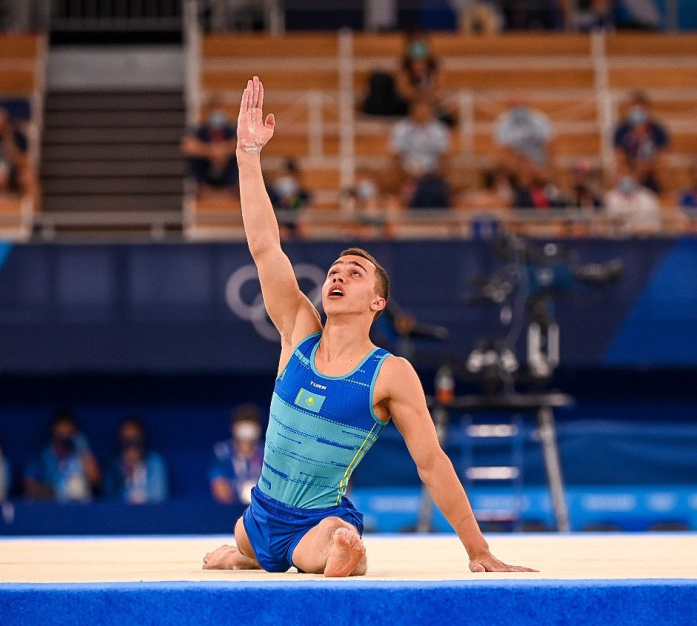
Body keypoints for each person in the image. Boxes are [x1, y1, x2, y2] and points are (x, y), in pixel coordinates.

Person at [203, 77, 534, 576]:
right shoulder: (297, 330)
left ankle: (320, 553)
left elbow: (432, 463)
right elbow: (265, 246)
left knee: (342, 549)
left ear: (377, 301)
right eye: (334, 271)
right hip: (256, 518)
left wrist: (478, 550)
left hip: (313, 526)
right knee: (244, 543)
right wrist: (248, 155)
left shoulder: (389, 373)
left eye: (353, 274)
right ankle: (244, 554)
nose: (337, 276)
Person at [24, 411, 101, 502]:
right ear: (53, 429)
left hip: (80, 509)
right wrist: (57, 492)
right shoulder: (41, 457)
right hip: (50, 508)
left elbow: (96, 480)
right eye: (62, 427)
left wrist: (83, 450)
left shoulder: (81, 454)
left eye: (69, 428)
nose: (65, 432)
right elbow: (29, 485)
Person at [390, 100, 451, 209]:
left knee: (453, 180)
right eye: (419, 110)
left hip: (432, 173)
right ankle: (405, 212)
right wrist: (406, 173)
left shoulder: (439, 129)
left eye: (425, 111)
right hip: (407, 171)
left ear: (430, 112)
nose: (422, 113)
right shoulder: (401, 128)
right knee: (393, 180)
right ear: (413, 111)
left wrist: (433, 173)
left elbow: (443, 156)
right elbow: (396, 155)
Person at [612, 90, 669, 194]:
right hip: (629, 171)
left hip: (650, 172)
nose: (636, 111)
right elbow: (620, 158)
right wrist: (634, 170)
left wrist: (645, 168)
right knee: (619, 172)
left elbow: (661, 159)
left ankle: (663, 199)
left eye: (640, 108)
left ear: (647, 109)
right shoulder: (621, 130)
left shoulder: (657, 130)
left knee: (662, 173)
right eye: (633, 107)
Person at [209, 404, 265, 505]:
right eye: (243, 423)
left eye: (252, 423)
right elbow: (218, 485)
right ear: (233, 427)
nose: (247, 429)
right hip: (231, 508)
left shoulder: (267, 452)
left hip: (261, 509)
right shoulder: (222, 451)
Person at [182, 99, 239, 194]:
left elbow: (240, 143)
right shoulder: (200, 129)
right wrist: (211, 152)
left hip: (226, 165)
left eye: (219, 109)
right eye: (214, 109)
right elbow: (188, 146)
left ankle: (232, 188)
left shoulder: (231, 128)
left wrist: (222, 151)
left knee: (239, 158)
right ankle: (202, 188)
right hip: (207, 165)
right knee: (194, 160)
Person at [494, 95, 554, 185]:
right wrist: (520, 167)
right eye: (515, 105)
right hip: (517, 164)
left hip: (538, 164)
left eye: (520, 104)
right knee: (502, 161)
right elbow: (503, 150)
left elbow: (550, 145)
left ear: (527, 105)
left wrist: (547, 169)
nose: (518, 108)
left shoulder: (539, 120)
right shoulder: (504, 122)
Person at [106, 418, 168, 504]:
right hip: (121, 515)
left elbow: (158, 496)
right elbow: (109, 498)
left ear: (142, 439)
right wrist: (125, 472)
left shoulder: (155, 462)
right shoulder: (115, 466)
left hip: (151, 514)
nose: (131, 446)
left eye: (135, 439)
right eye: (127, 441)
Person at [604, 167, 661, 235]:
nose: (626, 178)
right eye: (622, 174)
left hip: (643, 238)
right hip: (617, 239)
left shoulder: (648, 197)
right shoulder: (610, 198)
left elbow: (655, 224)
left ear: (636, 176)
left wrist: (640, 229)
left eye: (629, 174)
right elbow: (605, 224)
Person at [269, 157, 311, 239]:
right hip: (280, 226)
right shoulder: (273, 195)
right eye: (284, 175)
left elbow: (305, 214)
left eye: (290, 175)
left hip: (297, 226)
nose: (287, 179)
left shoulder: (303, 195)